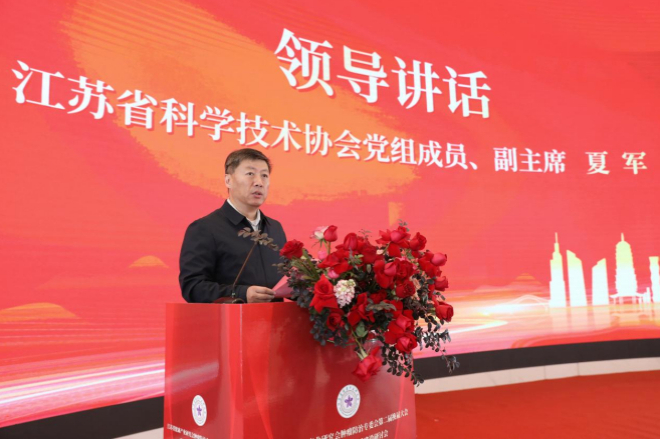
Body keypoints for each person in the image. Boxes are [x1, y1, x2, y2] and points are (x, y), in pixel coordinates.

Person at [179, 148, 286, 303]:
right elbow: (193, 287)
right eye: (250, 174)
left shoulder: (275, 228)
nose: (259, 182)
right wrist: (241, 294)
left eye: (264, 175)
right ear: (228, 180)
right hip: (231, 318)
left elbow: (286, 281)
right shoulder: (205, 228)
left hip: (277, 318)